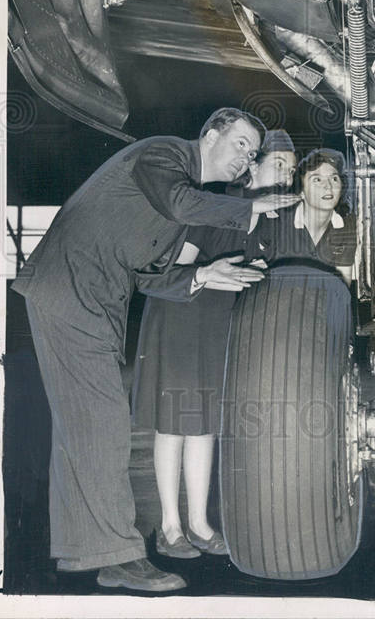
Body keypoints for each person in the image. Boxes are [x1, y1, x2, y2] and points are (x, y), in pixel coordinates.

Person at [11, 108, 295, 593]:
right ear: (209, 136)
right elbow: (182, 204)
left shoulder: (180, 208)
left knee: (86, 428)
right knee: (102, 424)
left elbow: (150, 276)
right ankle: (119, 557)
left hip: (95, 300)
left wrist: (204, 275)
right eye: (241, 143)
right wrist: (250, 209)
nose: (246, 158)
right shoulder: (163, 155)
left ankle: (91, 550)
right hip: (71, 289)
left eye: (252, 152)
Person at [132, 130, 299, 560]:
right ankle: (170, 526)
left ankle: (199, 523)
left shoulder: (274, 222)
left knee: (204, 425)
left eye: (292, 168)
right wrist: (211, 272)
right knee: (172, 424)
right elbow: (176, 266)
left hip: (219, 328)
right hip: (180, 320)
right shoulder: (214, 204)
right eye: (278, 164)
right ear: (253, 169)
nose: (287, 174)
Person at [263, 148, 357, 284]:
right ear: (301, 191)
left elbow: (342, 289)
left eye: (334, 178)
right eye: (317, 179)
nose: (328, 187)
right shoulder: (276, 222)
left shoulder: (347, 227)